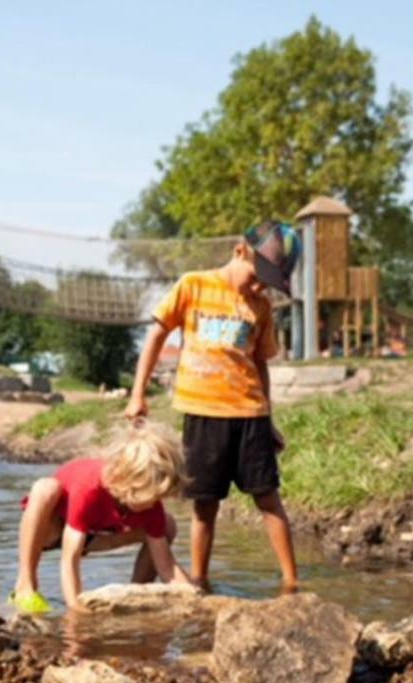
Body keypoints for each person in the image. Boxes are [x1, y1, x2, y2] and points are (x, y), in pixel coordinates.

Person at [125, 221, 301, 593]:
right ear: (240, 251)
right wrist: (138, 392)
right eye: (257, 277)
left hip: (250, 415)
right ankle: (200, 581)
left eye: (268, 283)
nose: (259, 287)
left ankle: (291, 582)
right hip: (203, 415)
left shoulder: (261, 307)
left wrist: (268, 419)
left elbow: (261, 364)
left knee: (268, 497)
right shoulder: (194, 286)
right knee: (204, 505)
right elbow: (157, 334)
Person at [9, 420, 193, 614]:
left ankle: (137, 592)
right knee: (44, 488)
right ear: (128, 481)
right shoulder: (89, 488)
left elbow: (167, 569)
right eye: (150, 497)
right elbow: (69, 560)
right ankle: (25, 584)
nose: (153, 503)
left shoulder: (150, 502)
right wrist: (76, 610)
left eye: (159, 497)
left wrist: (193, 596)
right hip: (54, 530)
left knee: (167, 525)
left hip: (96, 533)